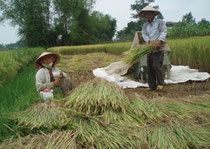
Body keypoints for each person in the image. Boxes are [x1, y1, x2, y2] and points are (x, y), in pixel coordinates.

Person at [139, 6, 167, 91]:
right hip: (150, 48)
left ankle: (161, 83)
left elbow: (163, 31)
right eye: (146, 14)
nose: (148, 15)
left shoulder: (159, 22)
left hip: (159, 48)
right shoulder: (145, 25)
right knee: (150, 66)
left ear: (153, 14)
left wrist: (160, 41)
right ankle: (152, 86)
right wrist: (149, 41)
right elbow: (144, 34)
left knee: (156, 65)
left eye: (150, 13)